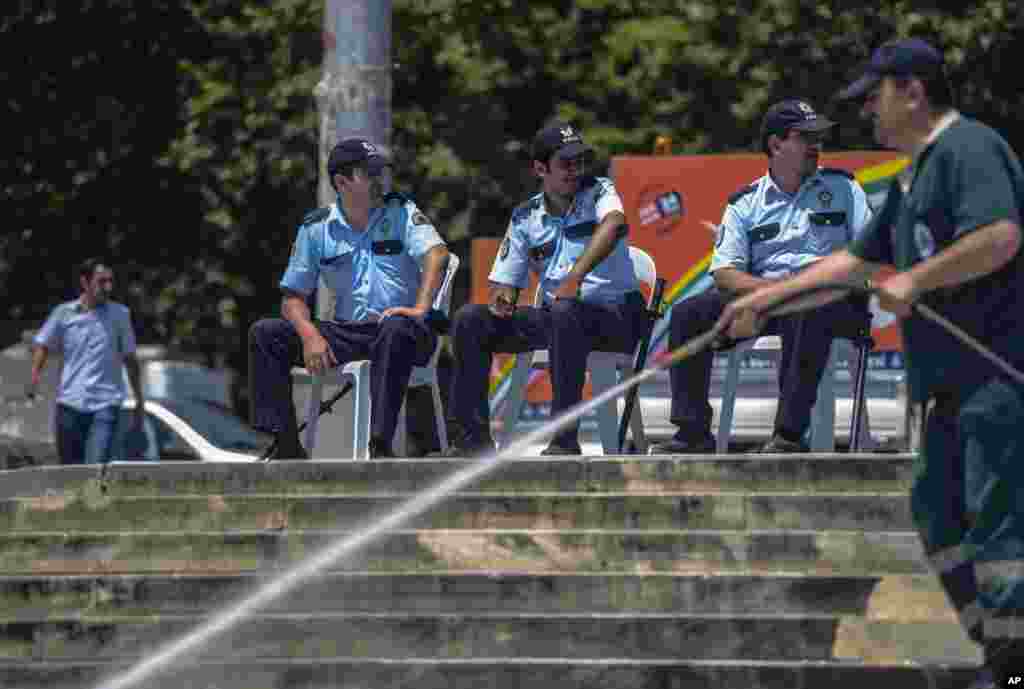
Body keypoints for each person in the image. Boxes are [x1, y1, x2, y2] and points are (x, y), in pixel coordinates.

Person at [720, 38, 1024, 688]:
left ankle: (1013, 663)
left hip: (995, 375)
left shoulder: (969, 150)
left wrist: (918, 280)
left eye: (875, 97)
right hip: (944, 388)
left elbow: (999, 236)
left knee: (996, 523)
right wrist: (767, 300)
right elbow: (853, 265)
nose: (868, 114)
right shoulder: (911, 176)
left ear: (912, 91)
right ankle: (998, 649)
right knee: (937, 513)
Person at [648, 99, 874, 455]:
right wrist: (773, 292)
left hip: (832, 301)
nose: (817, 145)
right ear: (775, 145)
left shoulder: (845, 188)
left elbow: (867, 254)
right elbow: (725, 272)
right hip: (768, 298)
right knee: (689, 313)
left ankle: (788, 435)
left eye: (819, 138)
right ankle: (692, 432)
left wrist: (799, 289)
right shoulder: (745, 202)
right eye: (806, 137)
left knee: (805, 307)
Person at [444, 121, 649, 456]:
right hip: (560, 319)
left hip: (617, 317)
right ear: (540, 168)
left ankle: (564, 439)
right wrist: (503, 299)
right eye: (565, 164)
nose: (576, 170)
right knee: (470, 319)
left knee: (563, 310)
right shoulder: (526, 216)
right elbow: (504, 282)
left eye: (580, 161)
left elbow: (613, 225)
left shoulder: (600, 191)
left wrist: (574, 278)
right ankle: (472, 439)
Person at [249, 138, 450, 460]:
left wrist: (420, 309)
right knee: (266, 333)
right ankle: (285, 445)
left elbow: (437, 255)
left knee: (395, 327)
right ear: (342, 182)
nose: (379, 180)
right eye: (369, 173)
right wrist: (310, 335)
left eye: (380, 172)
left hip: (406, 330)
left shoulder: (401, 211)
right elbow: (292, 298)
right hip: (348, 332)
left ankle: (381, 445)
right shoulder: (317, 228)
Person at [30, 258, 145, 465]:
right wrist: (34, 379)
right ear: (85, 282)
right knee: (69, 471)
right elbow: (43, 344)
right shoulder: (63, 313)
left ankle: (94, 495)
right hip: (69, 402)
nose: (108, 287)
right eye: (102, 282)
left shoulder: (120, 315)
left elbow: (130, 358)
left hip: (106, 403)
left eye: (110, 281)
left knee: (95, 468)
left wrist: (139, 399)